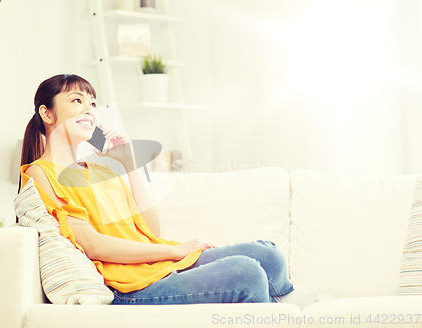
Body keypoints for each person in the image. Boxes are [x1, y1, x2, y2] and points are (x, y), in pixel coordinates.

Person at [18, 74, 325, 308]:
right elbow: (93, 245)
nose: (89, 110)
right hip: (129, 285)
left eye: (93, 103)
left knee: (267, 254)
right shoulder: (40, 173)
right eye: (77, 101)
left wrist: (130, 163)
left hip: (157, 266)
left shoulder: (97, 169)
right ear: (47, 114)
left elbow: (150, 228)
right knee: (246, 271)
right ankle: (281, 312)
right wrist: (176, 250)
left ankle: (282, 308)